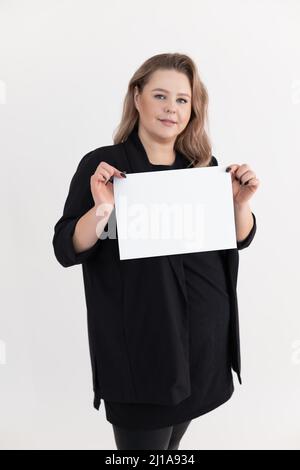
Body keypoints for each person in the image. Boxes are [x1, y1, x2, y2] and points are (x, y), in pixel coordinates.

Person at [52, 53, 259, 450]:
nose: (171, 109)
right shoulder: (103, 166)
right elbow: (65, 247)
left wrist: (240, 203)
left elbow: (237, 239)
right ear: (137, 98)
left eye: (183, 100)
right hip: (140, 356)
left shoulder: (202, 167)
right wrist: (102, 209)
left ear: (194, 108)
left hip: (202, 349)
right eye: (161, 96)